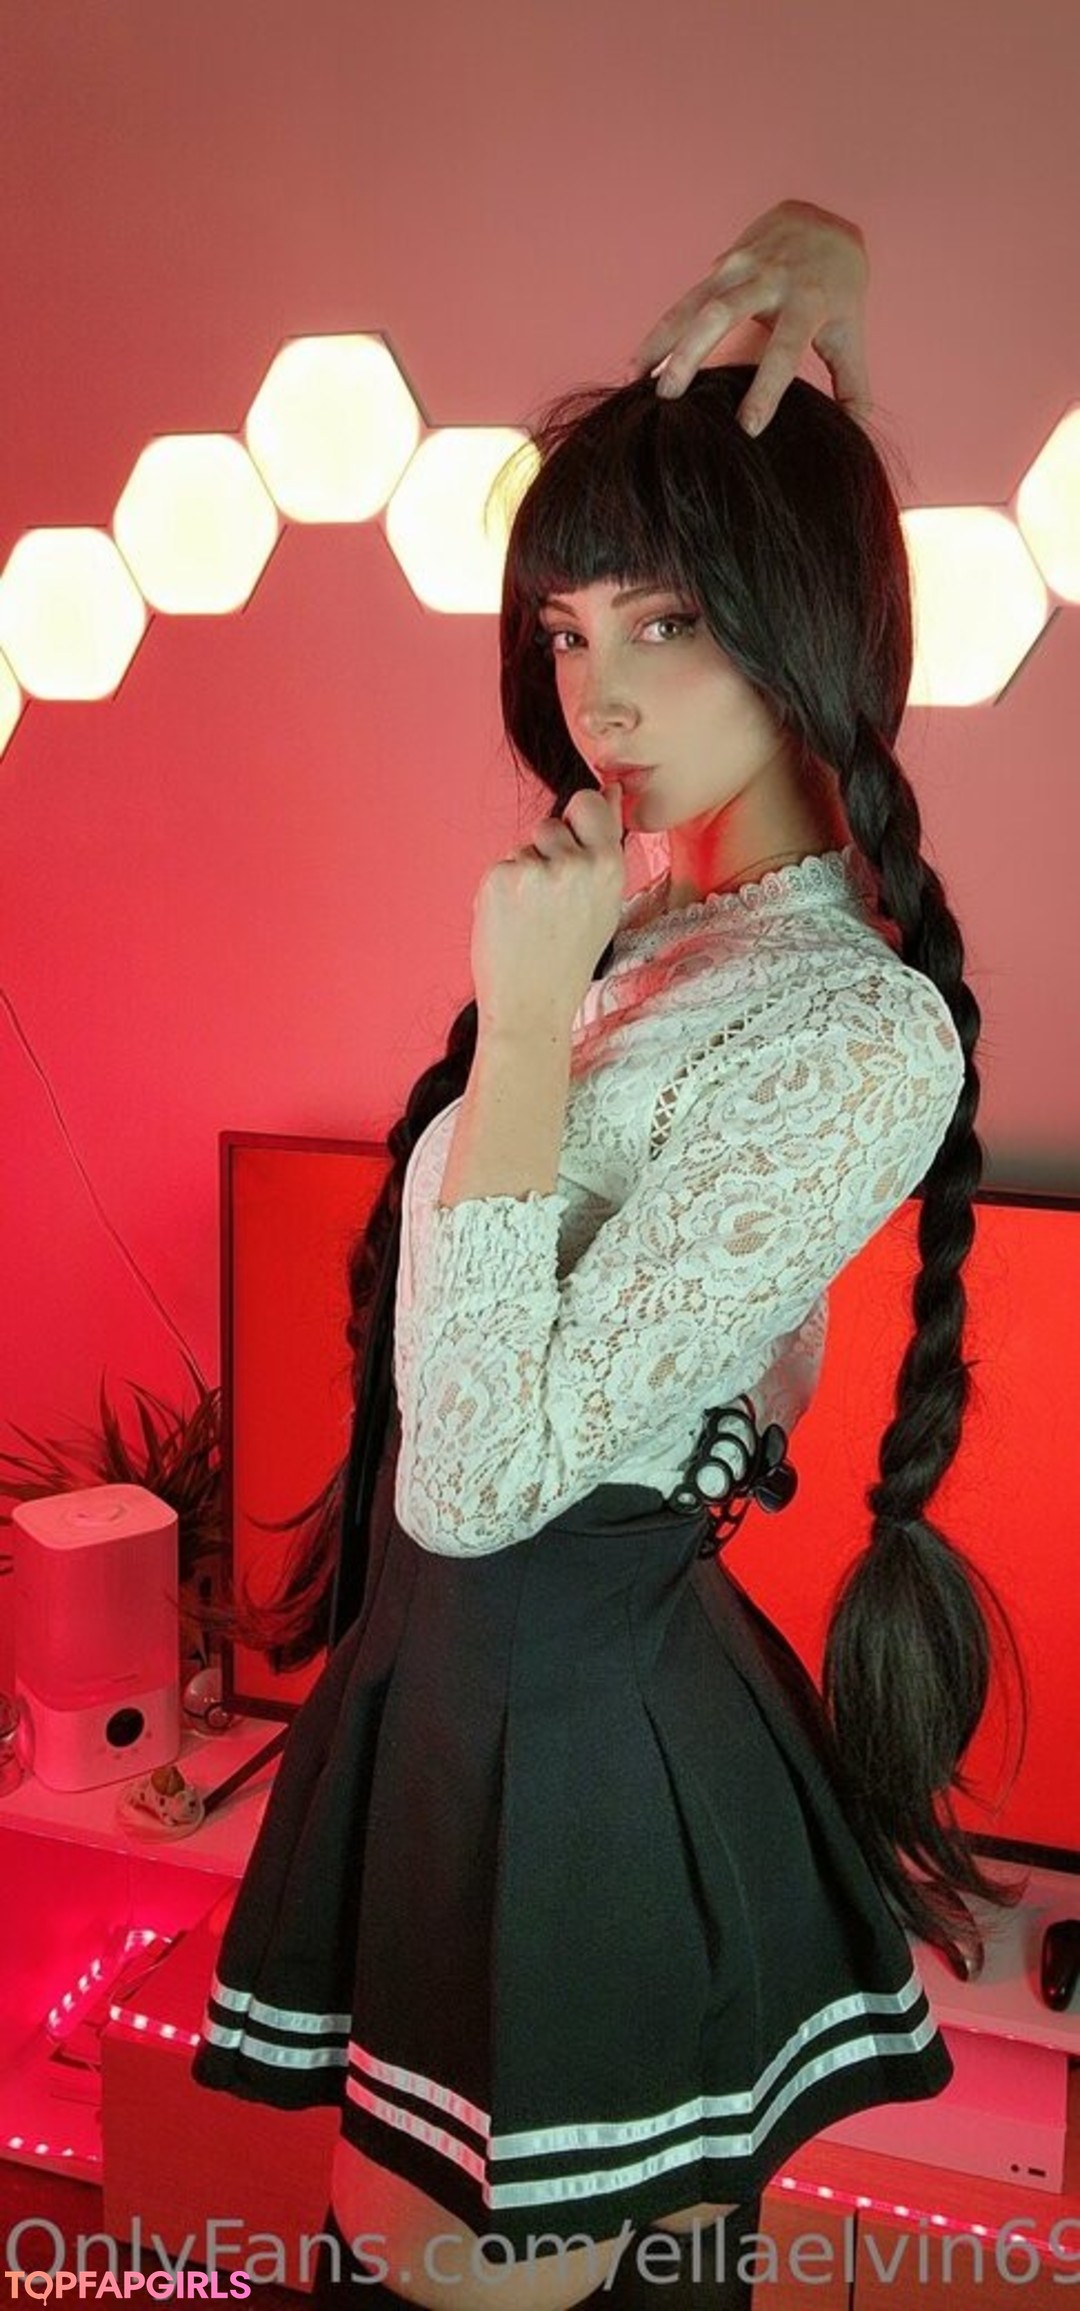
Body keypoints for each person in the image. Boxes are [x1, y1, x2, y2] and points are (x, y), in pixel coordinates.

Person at [190, 200, 1030, 2311]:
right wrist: (830, 237)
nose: (600, 691)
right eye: (568, 631)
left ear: (802, 618)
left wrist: (524, 1012)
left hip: (574, 1726)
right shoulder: (647, 936)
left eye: (665, 621)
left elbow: (482, 1482)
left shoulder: (853, 1023)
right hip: (465, 1707)